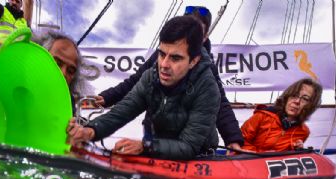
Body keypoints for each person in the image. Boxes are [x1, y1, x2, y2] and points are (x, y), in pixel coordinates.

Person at [68, 16, 220, 160]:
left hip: (200, 157)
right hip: (160, 149)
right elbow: (121, 112)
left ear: (194, 61)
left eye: (175, 58)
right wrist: (89, 131)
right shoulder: (150, 77)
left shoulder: (208, 89)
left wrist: (145, 146)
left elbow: (189, 146)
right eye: (162, 54)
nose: (164, 65)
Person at [94, 5, 244, 152]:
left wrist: (232, 138)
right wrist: (107, 97)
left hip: (197, 148)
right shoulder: (159, 58)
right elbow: (135, 82)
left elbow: (221, 103)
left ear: (204, 38)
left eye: (197, 30)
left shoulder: (207, 70)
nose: (165, 63)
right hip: (158, 139)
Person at [241, 78, 322, 152]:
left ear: (311, 105)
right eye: (294, 95)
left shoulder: (304, 132)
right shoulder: (262, 116)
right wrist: (261, 154)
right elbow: (239, 142)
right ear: (287, 97)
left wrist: (296, 150)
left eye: (305, 99)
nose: (297, 101)